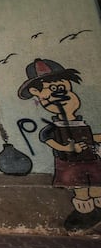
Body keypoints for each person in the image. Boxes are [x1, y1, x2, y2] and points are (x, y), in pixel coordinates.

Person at [17, 58, 101, 231]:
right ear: (36, 93)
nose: (62, 96)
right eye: (53, 90)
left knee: (95, 188)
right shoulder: (53, 128)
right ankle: (85, 214)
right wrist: (70, 148)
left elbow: (91, 137)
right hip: (70, 164)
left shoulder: (80, 122)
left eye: (64, 88)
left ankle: (95, 211)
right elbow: (52, 142)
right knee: (80, 189)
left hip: (91, 161)